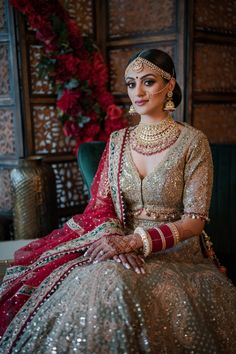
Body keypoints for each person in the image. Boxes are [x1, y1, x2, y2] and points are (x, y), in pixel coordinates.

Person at [0, 49, 235, 354]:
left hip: (175, 251)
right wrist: (115, 241)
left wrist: (135, 243)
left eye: (148, 82)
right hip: (118, 245)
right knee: (100, 276)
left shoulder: (193, 142)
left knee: (118, 282)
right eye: (130, 83)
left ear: (169, 84)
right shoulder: (117, 141)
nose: (137, 92)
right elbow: (101, 206)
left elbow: (195, 220)